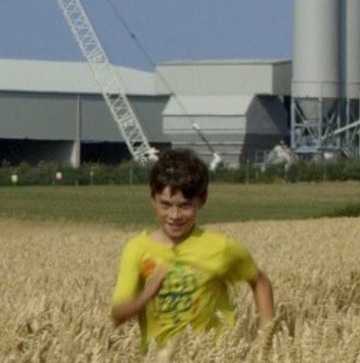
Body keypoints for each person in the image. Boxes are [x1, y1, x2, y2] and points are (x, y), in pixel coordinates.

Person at [110, 148, 275, 351]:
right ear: (153, 199)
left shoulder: (220, 248)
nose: (175, 215)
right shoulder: (136, 249)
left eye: (185, 206)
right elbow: (117, 314)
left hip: (213, 362)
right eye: (166, 205)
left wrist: (265, 340)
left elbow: (260, 282)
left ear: (202, 200)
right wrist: (147, 295)